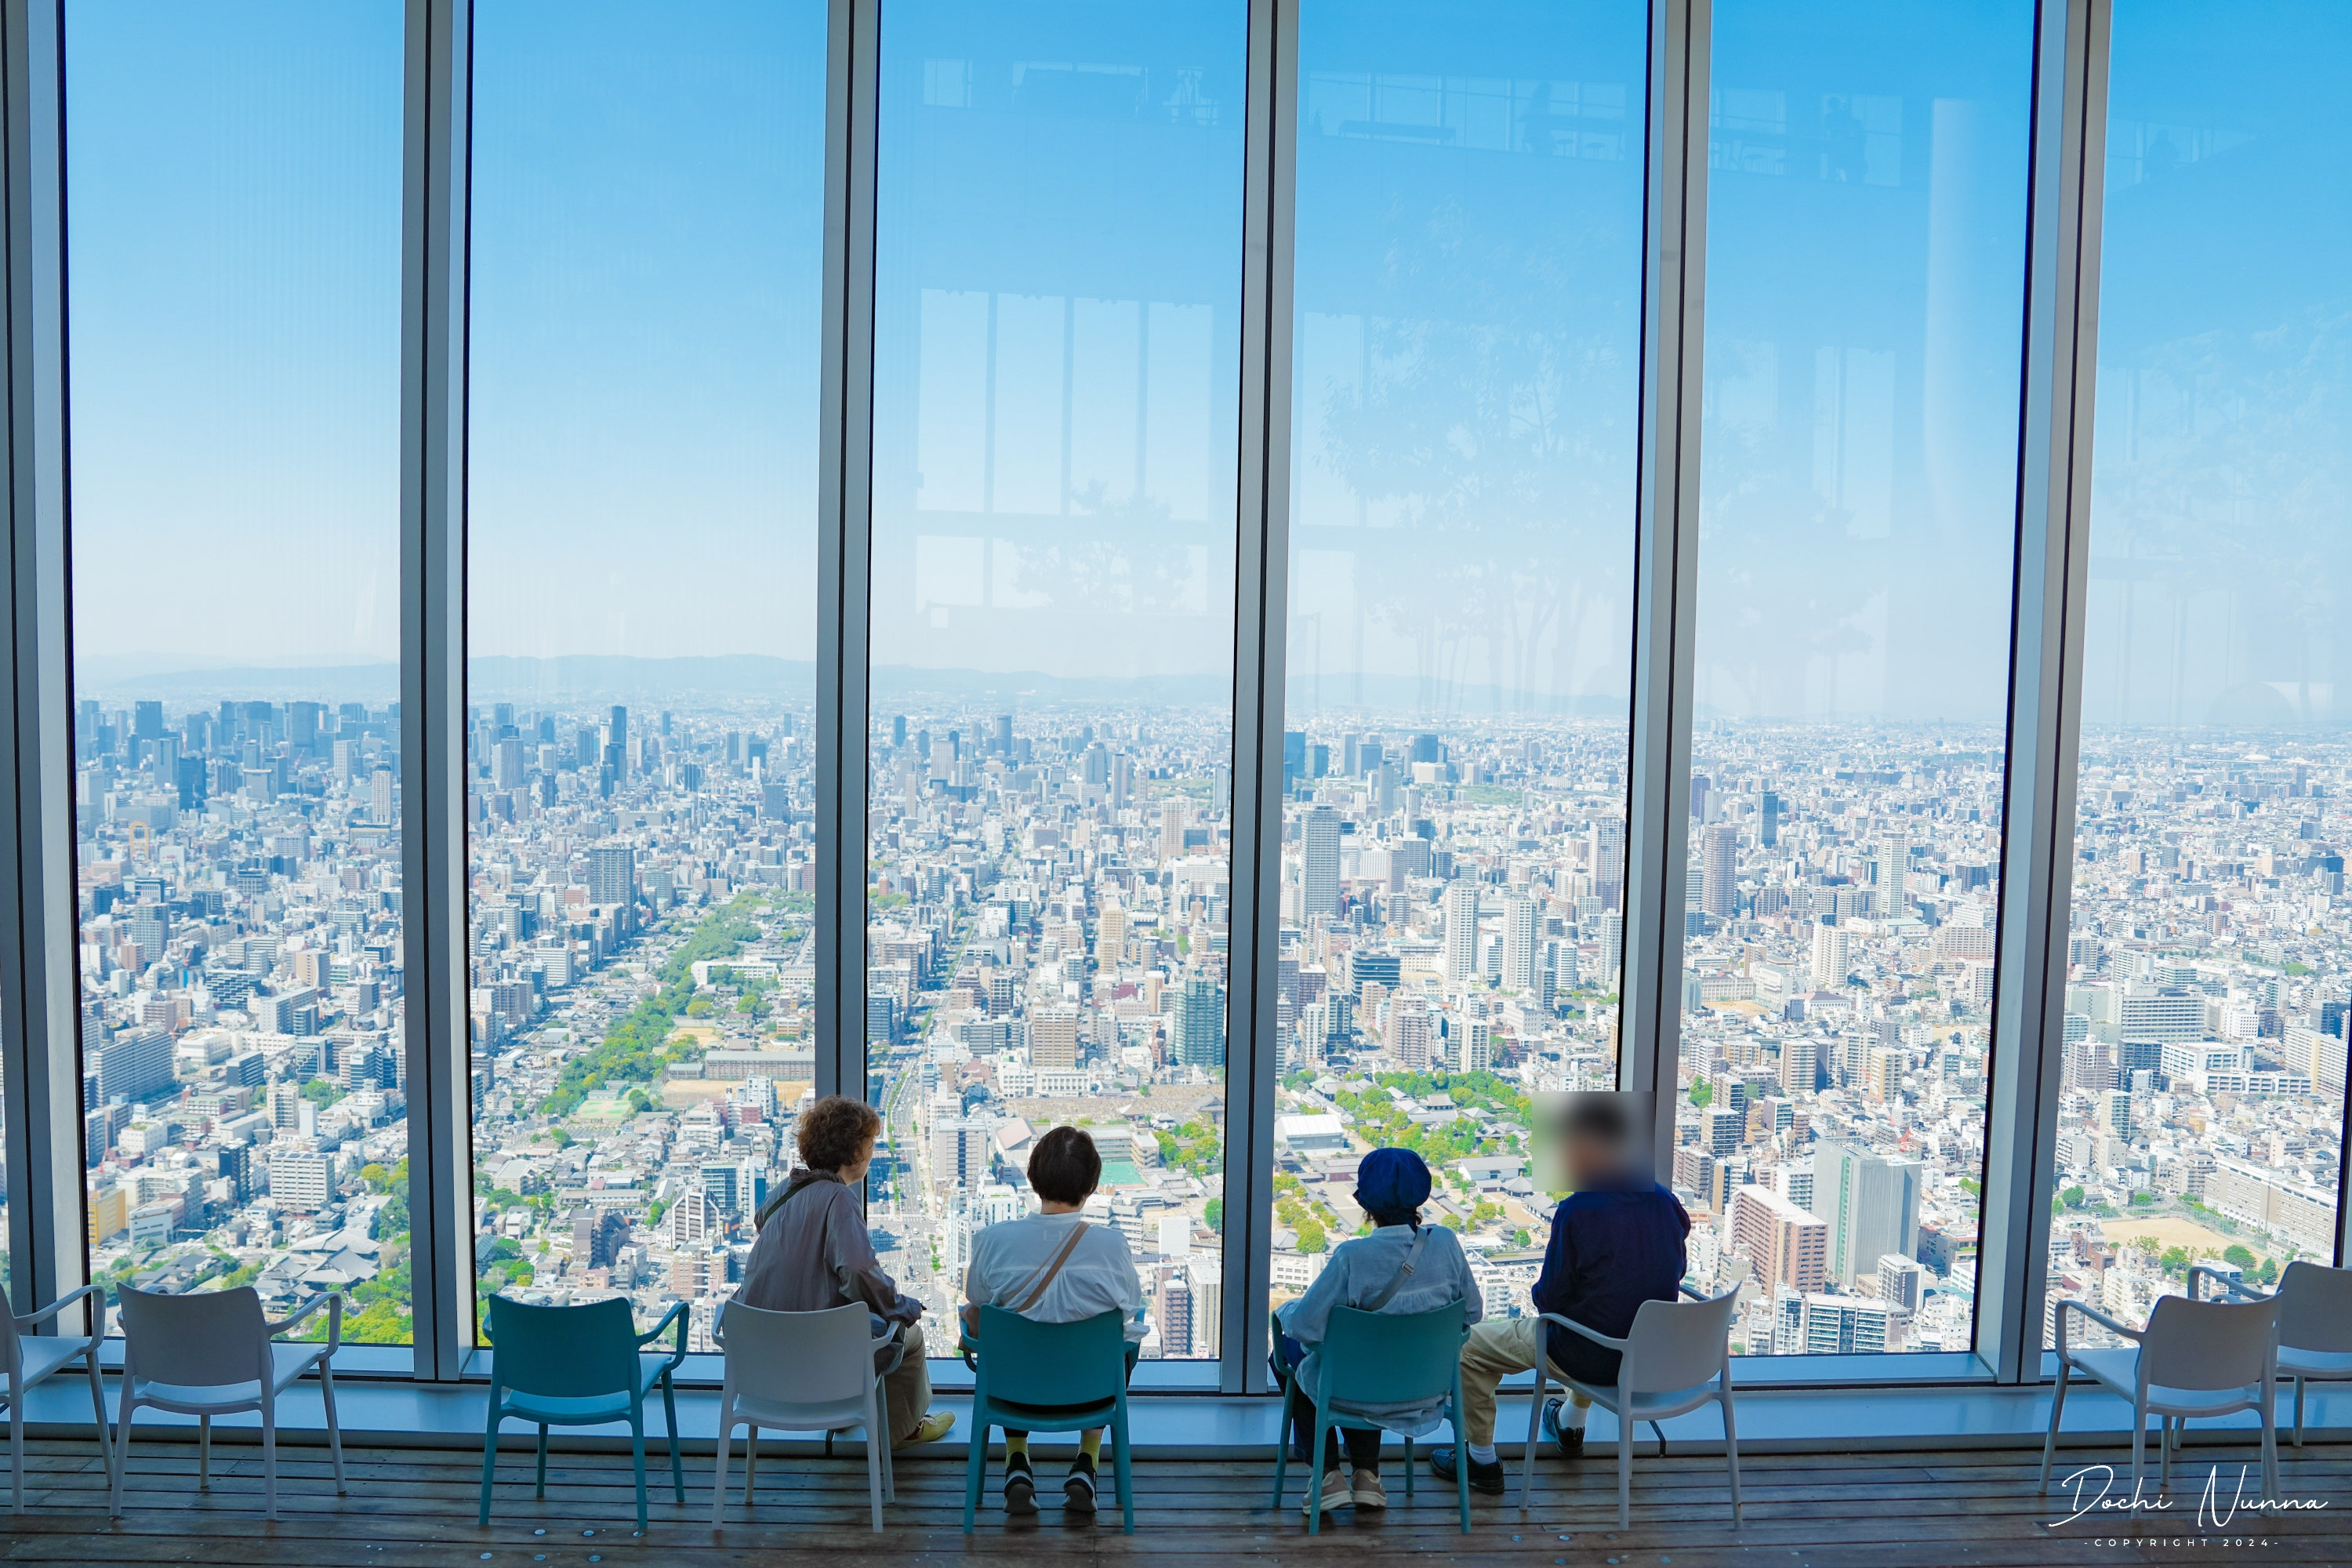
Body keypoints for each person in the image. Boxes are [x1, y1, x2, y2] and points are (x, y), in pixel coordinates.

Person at [1430, 1095, 1690, 1495]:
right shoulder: (1665, 1201)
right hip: (1647, 1355)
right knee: (1603, 1311)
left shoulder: (1579, 1211)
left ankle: (1480, 1460)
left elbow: (1549, 1298)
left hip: (1589, 1356)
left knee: (1467, 1348)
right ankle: (1570, 1425)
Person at [734, 1094, 956, 1448]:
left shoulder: (784, 1191)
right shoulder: (839, 1200)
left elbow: (764, 1224)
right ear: (854, 1151)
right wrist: (900, 1305)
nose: (872, 1151)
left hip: (761, 1357)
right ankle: (904, 1429)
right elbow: (857, 1269)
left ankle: (846, 1415)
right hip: (817, 1362)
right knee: (908, 1335)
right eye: (870, 1143)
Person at [1272, 1147, 1482, 1519]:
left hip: (1356, 1392)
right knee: (1367, 1360)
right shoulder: (1448, 1244)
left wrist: (1285, 1310)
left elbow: (1305, 1326)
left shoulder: (1353, 1257)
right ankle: (1368, 1477)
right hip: (1426, 1391)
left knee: (1287, 1355)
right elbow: (1473, 1313)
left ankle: (1326, 1476)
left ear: (1366, 1203)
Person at [962, 1124, 1145, 1518]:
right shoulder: (1112, 1246)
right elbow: (1130, 1306)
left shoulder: (993, 1241)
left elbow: (976, 1302)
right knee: (1125, 1336)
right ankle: (1087, 1462)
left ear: (1033, 1178)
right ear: (1092, 1185)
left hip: (1012, 1392)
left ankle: (1016, 1460)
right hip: (1091, 1394)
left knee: (1002, 1327)